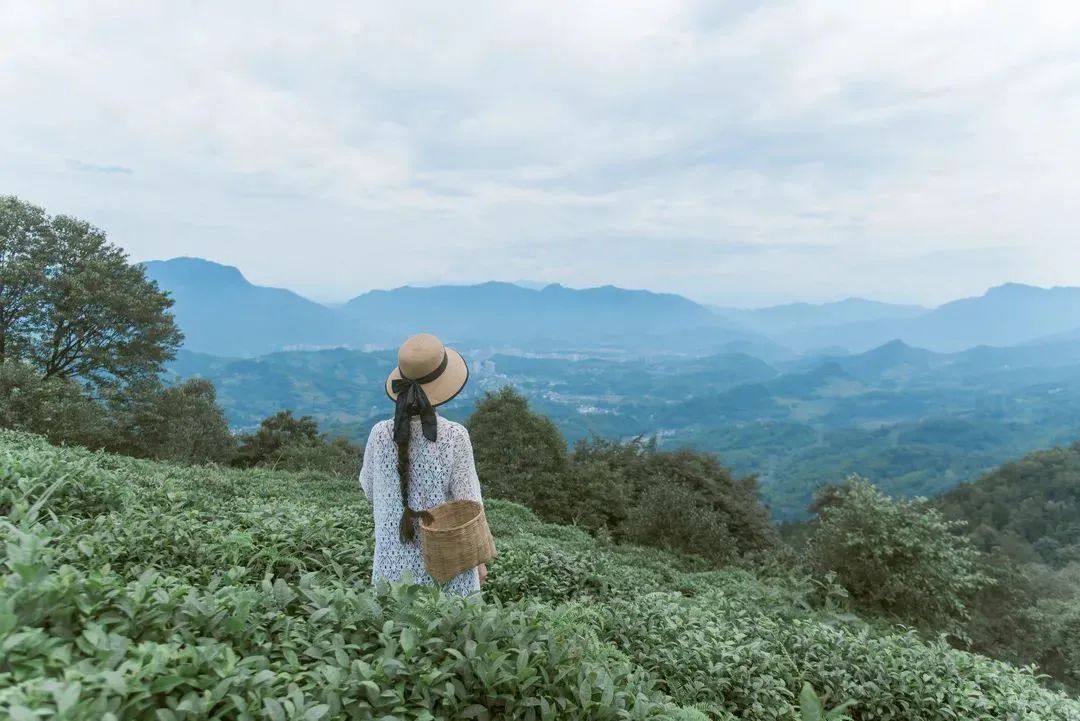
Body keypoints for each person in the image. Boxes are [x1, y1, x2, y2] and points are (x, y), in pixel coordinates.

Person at [359, 333, 488, 595]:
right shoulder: (454, 436)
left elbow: (370, 490)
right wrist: (480, 563)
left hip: (390, 571)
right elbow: (470, 506)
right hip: (447, 566)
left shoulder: (379, 434)